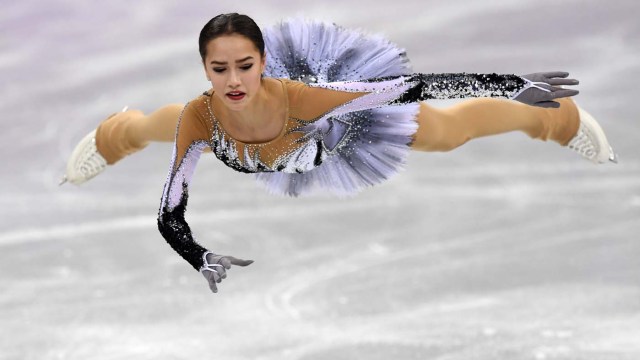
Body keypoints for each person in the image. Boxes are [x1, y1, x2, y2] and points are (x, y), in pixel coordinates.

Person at [61, 14, 617, 294]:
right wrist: (198, 256)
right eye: (218, 68)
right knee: (158, 126)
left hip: (336, 128)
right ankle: (115, 134)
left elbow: (409, 88)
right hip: (246, 142)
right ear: (205, 68)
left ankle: (553, 119)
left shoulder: (304, 96)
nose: (233, 79)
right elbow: (169, 211)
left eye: (245, 65)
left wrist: (508, 83)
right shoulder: (200, 116)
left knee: (446, 133)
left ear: (262, 62)